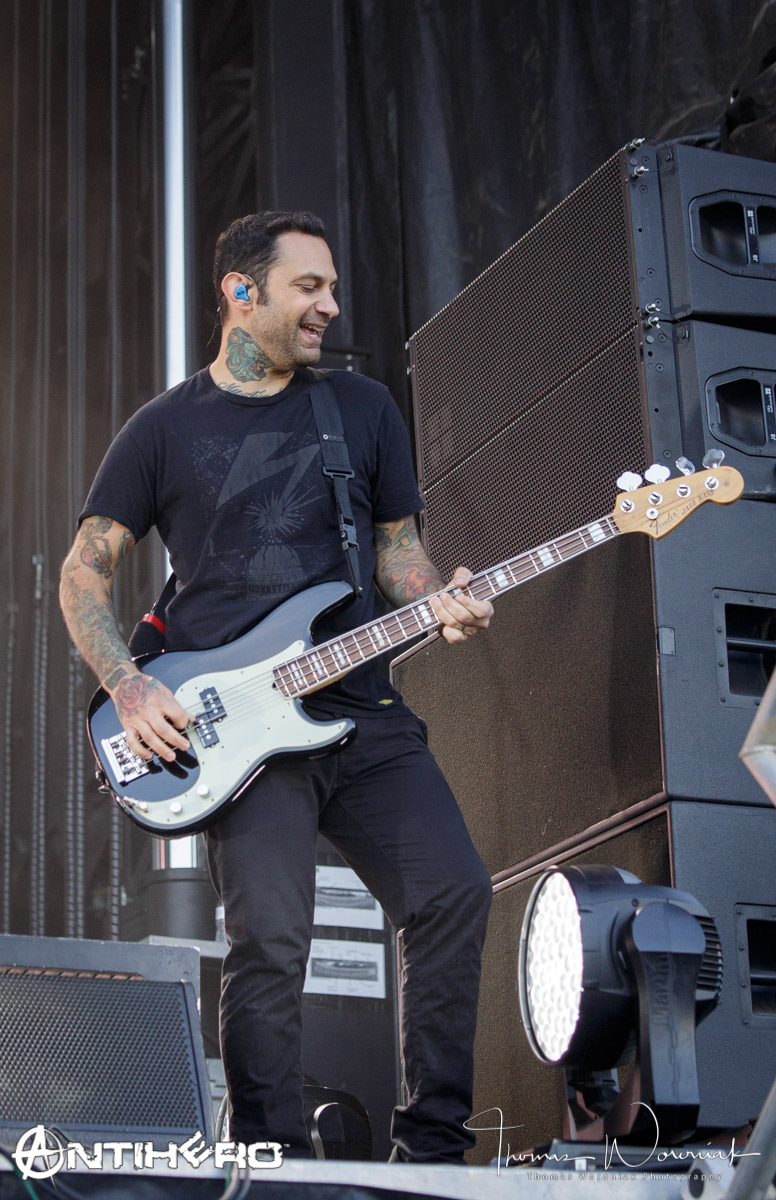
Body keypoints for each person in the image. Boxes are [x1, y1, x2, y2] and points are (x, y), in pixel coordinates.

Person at [59, 211, 494, 1163]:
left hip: (362, 711)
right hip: (242, 731)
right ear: (240, 291)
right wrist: (128, 687)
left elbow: (398, 554)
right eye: (309, 287)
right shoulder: (162, 429)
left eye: (332, 287)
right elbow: (83, 574)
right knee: (271, 940)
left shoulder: (362, 410)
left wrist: (440, 597)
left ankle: (432, 1153)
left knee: (454, 891)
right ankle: (271, 1160)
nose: (330, 306)